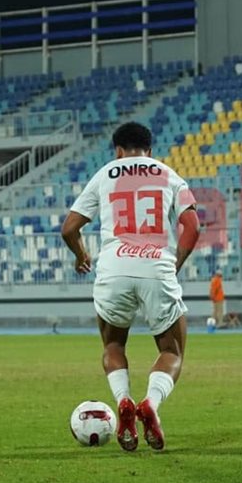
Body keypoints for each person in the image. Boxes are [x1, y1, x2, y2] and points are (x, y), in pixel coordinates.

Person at [61, 121, 200, 452]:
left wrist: (81, 255)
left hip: (113, 269)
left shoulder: (105, 173)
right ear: (149, 151)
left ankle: (123, 399)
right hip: (156, 268)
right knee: (171, 351)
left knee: (113, 346)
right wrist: (173, 265)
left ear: (118, 150)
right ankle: (150, 404)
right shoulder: (169, 175)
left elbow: (69, 229)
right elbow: (193, 227)